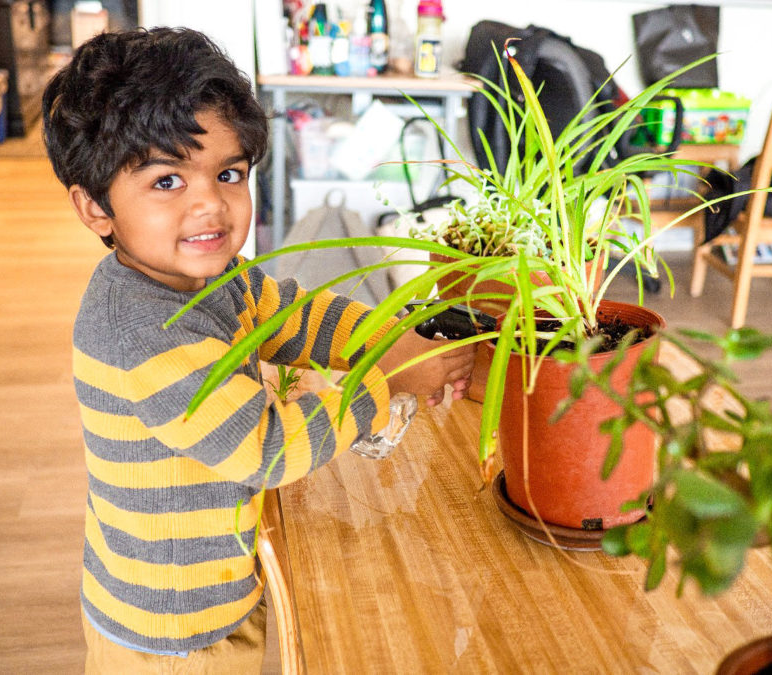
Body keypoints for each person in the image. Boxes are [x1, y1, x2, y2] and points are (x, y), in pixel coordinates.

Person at [42, 27, 474, 673]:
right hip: (173, 632)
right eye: (166, 181)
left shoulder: (212, 275)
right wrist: (391, 379)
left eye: (228, 172)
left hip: (218, 581)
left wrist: (385, 338)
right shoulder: (141, 331)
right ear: (94, 206)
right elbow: (266, 447)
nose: (210, 203)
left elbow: (294, 314)